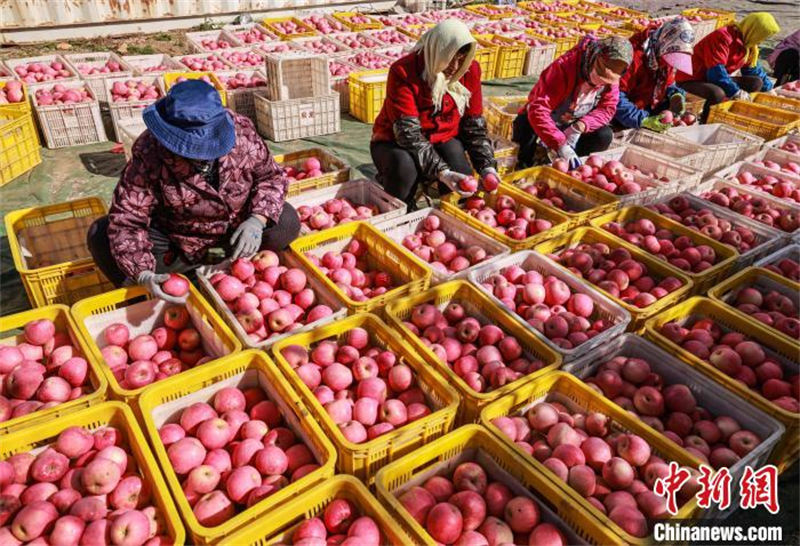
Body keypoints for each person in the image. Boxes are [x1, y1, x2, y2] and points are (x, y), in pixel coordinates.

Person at [87, 80, 299, 303]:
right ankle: (158, 289)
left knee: (286, 221)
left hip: (234, 235)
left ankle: (228, 263)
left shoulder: (242, 132)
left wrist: (257, 220)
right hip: (180, 244)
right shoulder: (149, 151)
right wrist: (142, 272)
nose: (201, 155)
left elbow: (271, 177)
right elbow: (127, 217)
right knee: (100, 235)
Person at [370, 20, 499, 209]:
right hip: (395, 141)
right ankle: (403, 211)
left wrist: (487, 166)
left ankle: (450, 219)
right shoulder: (403, 71)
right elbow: (408, 134)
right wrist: (442, 172)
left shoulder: (470, 71)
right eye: (449, 57)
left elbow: (474, 126)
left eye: (461, 58)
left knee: (462, 173)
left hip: (444, 138)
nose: (455, 66)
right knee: (404, 168)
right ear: (438, 50)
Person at [513, 35, 633, 170]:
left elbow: (607, 109)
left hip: (571, 125)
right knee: (525, 125)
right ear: (594, 56)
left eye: (605, 80)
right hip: (544, 123)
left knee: (603, 135)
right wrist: (560, 142)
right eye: (599, 74)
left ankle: (575, 166)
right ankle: (526, 164)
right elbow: (538, 108)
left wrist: (580, 126)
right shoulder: (564, 67)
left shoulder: (612, 80)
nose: (600, 81)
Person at [677, 13, 781, 120]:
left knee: (756, 82)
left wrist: (769, 89)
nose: (761, 41)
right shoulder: (722, 36)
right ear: (754, 31)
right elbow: (716, 72)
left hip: (712, 79)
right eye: (762, 36)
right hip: (692, 79)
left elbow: (752, 69)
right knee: (717, 93)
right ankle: (706, 120)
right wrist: (735, 91)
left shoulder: (748, 44)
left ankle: (733, 115)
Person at [614, 17, 696, 132]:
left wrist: (675, 94)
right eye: (670, 58)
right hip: (626, 111)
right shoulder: (633, 56)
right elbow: (615, 98)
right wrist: (642, 119)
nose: (668, 63)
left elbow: (667, 82)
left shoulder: (663, 50)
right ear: (665, 43)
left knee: (671, 112)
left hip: (647, 104)